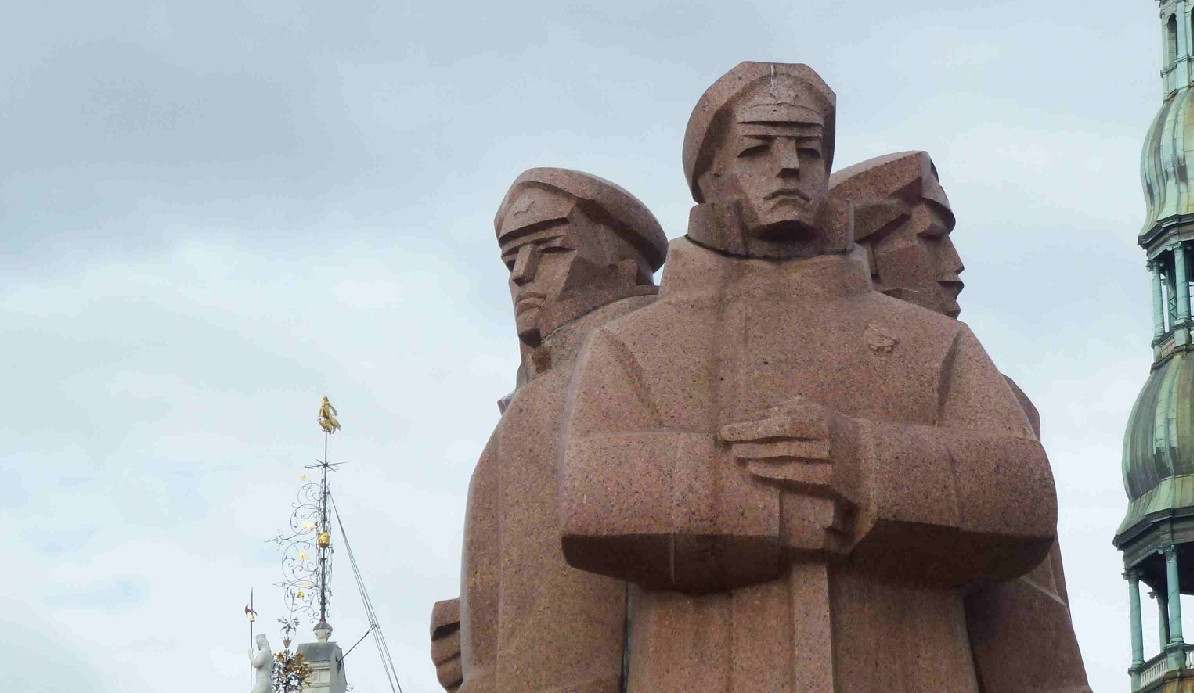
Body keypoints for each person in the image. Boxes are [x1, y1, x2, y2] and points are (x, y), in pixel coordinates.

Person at [559, 62, 1059, 693]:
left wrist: (862, 465)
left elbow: (1024, 494)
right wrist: (779, 505)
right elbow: (593, 499)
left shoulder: (935, 343)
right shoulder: (631, 344)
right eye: (759, 149)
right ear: (710, 177)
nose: (789, 165)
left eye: (808, 148)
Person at [830, 151, 1092, 693]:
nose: (955, 265)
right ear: (868, 253)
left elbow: (1037, 618)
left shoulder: (996, 396)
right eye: (930, 240)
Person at [431, 168, 668, 693]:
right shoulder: (541, 389)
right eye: (511, 257)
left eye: (550, 249)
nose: (521, 273)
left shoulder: (617, 376)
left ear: (627, 266)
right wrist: (478, 633)